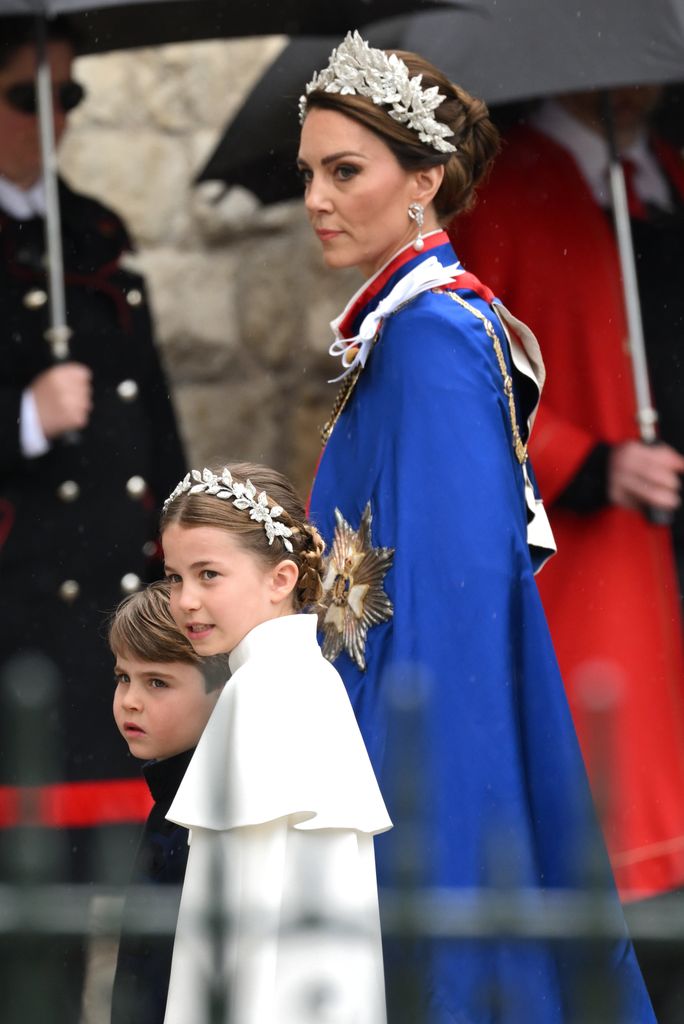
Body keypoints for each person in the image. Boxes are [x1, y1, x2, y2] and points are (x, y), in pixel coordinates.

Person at [299, 32, 655, 1023]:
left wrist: (427, 835)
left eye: (345, 171)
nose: (317, 199)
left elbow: (453, 627)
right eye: (309, 174)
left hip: (417, 765)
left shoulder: (430, 339)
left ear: (426, 181)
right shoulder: (407, 331)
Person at [451, 85, 684, 1022]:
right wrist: (590, 461)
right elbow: (475, 377)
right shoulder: (505, 191)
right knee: (623, 823)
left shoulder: (661, 177)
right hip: (599, 542)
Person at [0, 16, 185, 863]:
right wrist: (23, 418)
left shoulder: (96, 233)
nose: (55, 116)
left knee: (111, 879)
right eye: (29, 95)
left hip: (109, 618)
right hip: (19, 615)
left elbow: (156, 429)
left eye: (68, 93)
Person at [159, 461, 392, 1023]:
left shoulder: (260, 691)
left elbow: (241, 931)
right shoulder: (308, 676)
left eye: (208, 574)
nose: (186, 599)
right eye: (174, 577)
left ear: (281, 579)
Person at [108, 580, 230, 1024]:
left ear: (223, 690)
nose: (130, 702)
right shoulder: (171, 796)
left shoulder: (211, 817)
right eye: (124, 678)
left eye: (157, 682)